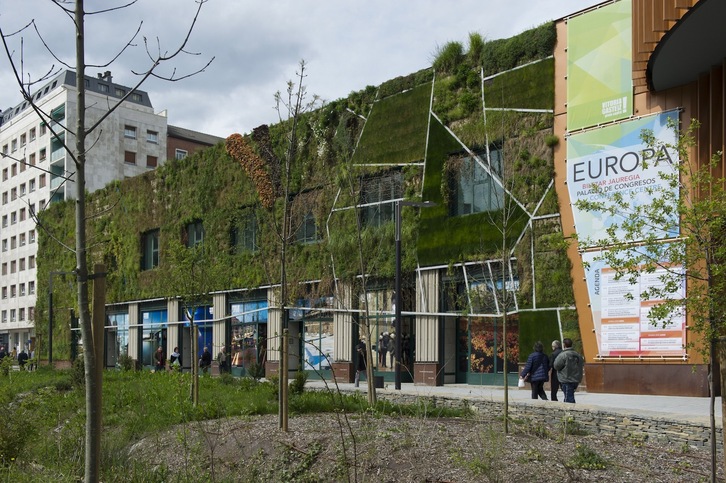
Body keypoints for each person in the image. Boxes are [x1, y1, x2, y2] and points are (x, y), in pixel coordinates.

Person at [553, 338, 584, 404]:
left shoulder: (563, 355)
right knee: (568, 396)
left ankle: (570, 412)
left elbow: (556, 366)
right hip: (576, 379)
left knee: (569, 399)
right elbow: (581, 364)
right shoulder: (577, 355)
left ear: (564, 345)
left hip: (566, 379)